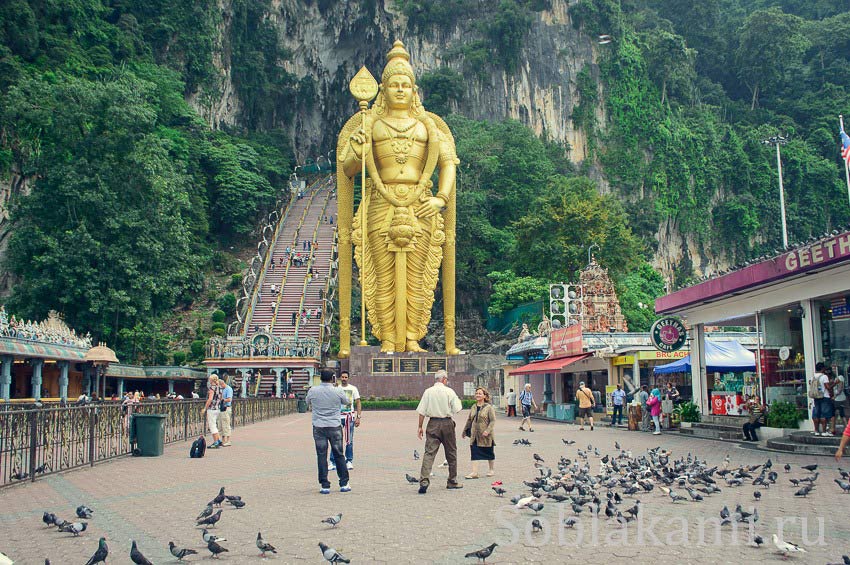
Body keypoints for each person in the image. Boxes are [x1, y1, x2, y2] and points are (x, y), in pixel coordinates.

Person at [338, 40, 460, 356]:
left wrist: (441, 198)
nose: (401, 90)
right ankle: (388, 340)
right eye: (394, 85)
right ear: (383, 88)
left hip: (421, 205)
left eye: (406, 84)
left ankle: (412, 338)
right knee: (382, 276)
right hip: (381, 203)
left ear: (414, 89)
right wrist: (357, 146)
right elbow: (349, 169)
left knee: (419, 278)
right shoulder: (370, 123)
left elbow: (448, 163)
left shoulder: (429, 126)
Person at [416, 369, 463, 494]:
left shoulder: (428, 392)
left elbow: (421, 412)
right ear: (444, 379)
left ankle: (424, 481)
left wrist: (420, 427)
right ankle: (452, 481)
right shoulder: (449, 391)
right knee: (451, 452)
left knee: (429, 453)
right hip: (447, 423)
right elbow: (458, 409)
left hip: (432, 423)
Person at [305, 369, 351, 494]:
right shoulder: (337, 390)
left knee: (321, 455)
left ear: (320, 378)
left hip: (319, 426)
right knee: (339, 454)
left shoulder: (313, 390)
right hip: (334, 425)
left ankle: (324, 484)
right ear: (333, 378)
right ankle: (344, 483)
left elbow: (307, 402)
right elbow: (347, 402)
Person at [462, 387, 496, 479]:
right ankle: (474, 472)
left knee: (489, 452)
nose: (477, 395)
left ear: (485, 396)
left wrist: (487, 430)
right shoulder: (473, 406)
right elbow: (469, 420)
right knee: (474, 452)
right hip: (475, 434)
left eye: (480, 393)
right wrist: (465, 430)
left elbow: (493, 421)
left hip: (486, 435)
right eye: (476, 393)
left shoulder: (489, 407)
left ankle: (491, 470)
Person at [336, 371, 362, 470]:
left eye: (346, 377)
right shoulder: (336, 388)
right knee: (335, 440)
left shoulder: (353, 388)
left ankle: (349, 460)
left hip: (349, 418)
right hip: (337, 417)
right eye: (342, 377)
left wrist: (358, 417)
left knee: (349, 440)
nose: (344, 379)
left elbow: (358, 402)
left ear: (348, 378)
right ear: (340, 378)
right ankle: (333, 461)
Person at [811, 361, 834, 436]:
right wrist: (833, 385)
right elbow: (827, 387)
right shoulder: (824, 376)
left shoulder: (813, 377)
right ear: (822, 368)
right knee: (824, 414)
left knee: (816, 414)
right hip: (824, 396)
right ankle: (824, 431)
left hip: (816, 397)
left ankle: (816, 430)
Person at [203, 375, 223, 448]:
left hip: (211, 408)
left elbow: (210, 399)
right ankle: (218, 440)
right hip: (217, 408)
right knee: (215, 424)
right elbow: (221, 398)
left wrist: (205, 408)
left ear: (211, 380)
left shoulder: (212, 388)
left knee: (212, 426)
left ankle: (215, 442)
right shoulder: (220, 388)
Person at [219, 378, 234, 447]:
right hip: (222, 408)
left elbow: (229, 399)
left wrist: (222, 400)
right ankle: (223, 440)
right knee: (221, 425)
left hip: (226, 407)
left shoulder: (228, 389)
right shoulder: (223, 389)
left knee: (226, 424)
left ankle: (228, 440)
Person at [834, 366, 848, 434]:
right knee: (841, 413)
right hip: (839, 398)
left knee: (836, 413)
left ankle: (833, 427)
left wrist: (834, 395)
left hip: (838, 398)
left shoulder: (840, 377)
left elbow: (840, 388)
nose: (833, 370)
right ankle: (845, 427)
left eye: (834, 368)